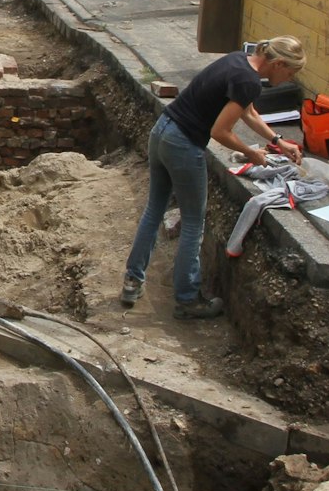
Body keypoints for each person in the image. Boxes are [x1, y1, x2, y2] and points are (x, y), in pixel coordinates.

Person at [120, 36, 307, 319]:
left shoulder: (238, 61)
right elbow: (221, 132)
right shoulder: (249, 82)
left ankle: (132, 281)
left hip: (162, 131)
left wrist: (278, 141)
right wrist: (251, 153)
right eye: (290, 73)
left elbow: (249, 112)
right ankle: (188, 300)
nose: (289, 79)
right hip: (183, 143)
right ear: (278, 63)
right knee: (194, 222)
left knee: (154, 209)